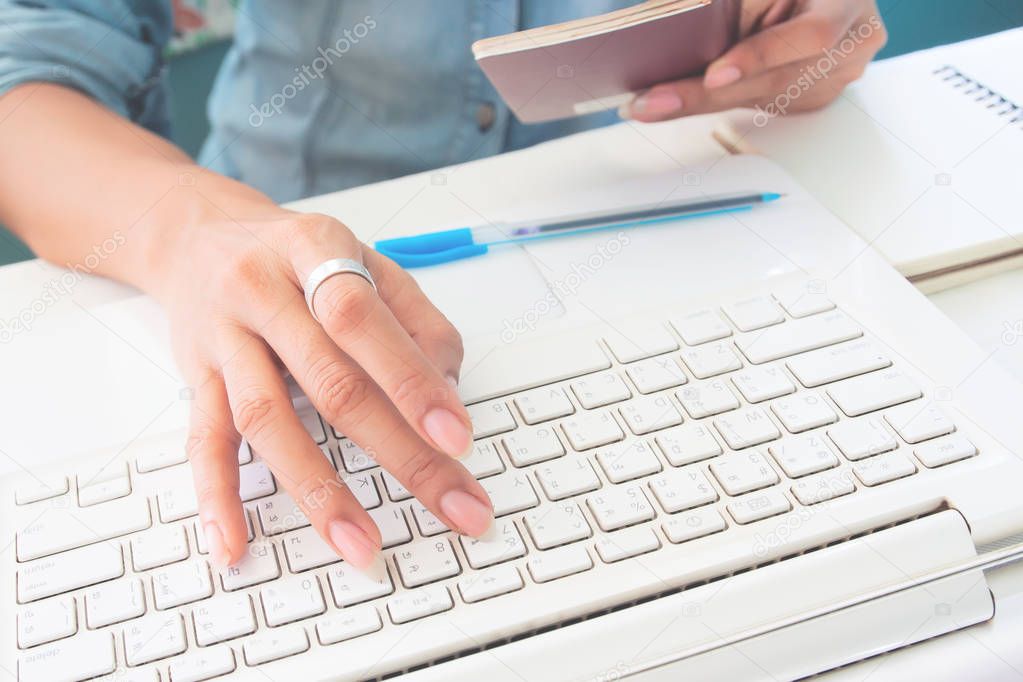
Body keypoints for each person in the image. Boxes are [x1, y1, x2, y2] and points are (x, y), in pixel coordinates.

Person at [0, 0, 886, 569]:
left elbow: (804, 24)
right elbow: (22, 69)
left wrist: (801, 47)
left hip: (671, 221)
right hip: (261, 259)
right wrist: (189, 227)